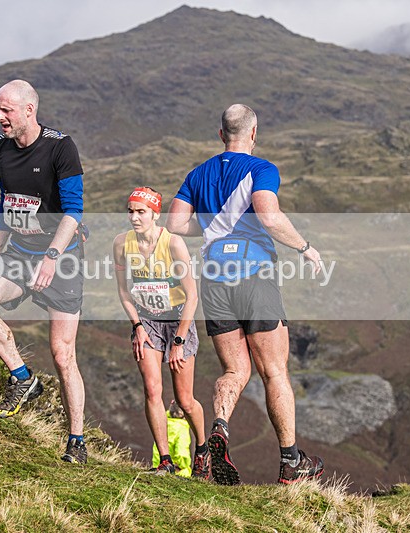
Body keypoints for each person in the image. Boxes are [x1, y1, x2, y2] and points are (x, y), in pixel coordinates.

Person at [166, 104, 324, 485]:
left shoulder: (198, 173)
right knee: (274, 371)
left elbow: (173, 225)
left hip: (215, 278)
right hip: (254, 274)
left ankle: (219, 429)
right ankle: (290, 462)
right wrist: (305, 248)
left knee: (234, 370)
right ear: (254, 133)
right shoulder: (261, 169)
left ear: (221, 134)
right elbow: (268, 217)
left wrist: (210, 228)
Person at [0, 79, 88, 464]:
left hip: (62, 257)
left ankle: (76, 442)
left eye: (7, 111)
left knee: (63, 354)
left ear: (29, 110)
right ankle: (22, 377)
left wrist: (52, 255)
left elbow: (74, 211)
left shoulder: (60, 147)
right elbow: (7, 201)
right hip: (19, 252)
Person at [113, 187, 211, 479]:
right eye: (130, 211)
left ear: (155, 214)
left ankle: (203, 449)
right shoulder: (121, 244)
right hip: (148, 323)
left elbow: (192, 296)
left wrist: (179, 341)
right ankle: (164, 461)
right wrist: (138, 327)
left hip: (178, 321)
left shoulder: (173, 244)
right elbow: (123, 290)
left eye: (141, 212)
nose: (134, 217)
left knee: (184, 400)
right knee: (152, 391)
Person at [152, 401, 193, 477]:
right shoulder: (182, 428)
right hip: (177, 472)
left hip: (158, 467)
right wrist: (183, 465)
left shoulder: (162, 425)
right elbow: (181, 452)